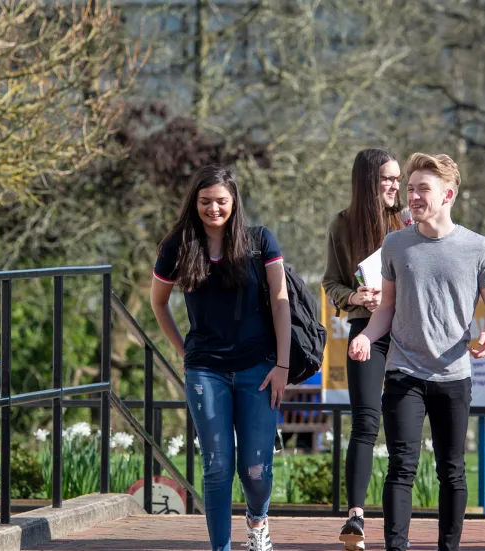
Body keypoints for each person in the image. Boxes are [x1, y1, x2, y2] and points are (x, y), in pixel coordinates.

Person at [350, 152, 485, 551]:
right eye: (410, 188)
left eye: (423, 189)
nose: (413, 196)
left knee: (451, 470)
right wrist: (367, 336)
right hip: (404, 371)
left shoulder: (478, 248)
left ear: (448, 194)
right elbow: (386, 307)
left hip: (454, 374)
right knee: (401, 466)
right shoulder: (395, 244)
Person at [150, 165, 291, 551]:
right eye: (205, 201)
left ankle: (257, 521)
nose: (214, 208)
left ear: (234, 202)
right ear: (194, 203)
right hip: (205, 371)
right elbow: (158, 303)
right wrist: (185, 352)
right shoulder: (176, 246)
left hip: (259, 369)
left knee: (256, 470)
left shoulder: (260, 241)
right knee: (217, 467)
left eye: (221, 201)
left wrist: (282, 365)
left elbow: (281, 304)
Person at [322, 148, 410, 550]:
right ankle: (355, 517)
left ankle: (398, 523)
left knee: (401, 427)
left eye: (397, 178)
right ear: (366, 182)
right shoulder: (342, 225)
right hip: (365, 333)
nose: (395, 185)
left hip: (409, 333)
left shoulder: (409, 219)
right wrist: (357, 297)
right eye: (386, 179)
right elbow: (331, 285)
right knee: (365, 422)